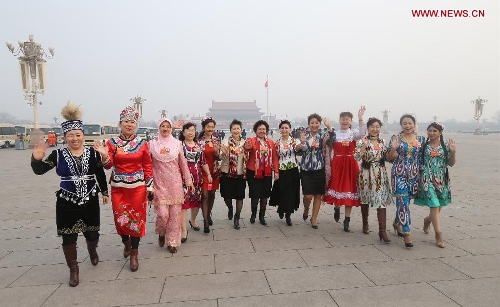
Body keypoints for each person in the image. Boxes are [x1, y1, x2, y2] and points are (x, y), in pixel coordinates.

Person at [31, 101, 109, 287]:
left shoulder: (93, 152)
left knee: (92, 233)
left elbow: (99, 172)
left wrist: (104, 192)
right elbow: (40, 170)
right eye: (70, 136)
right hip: (67, 200)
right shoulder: (57, 155)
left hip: (90, 198)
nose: (75, 139)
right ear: (65, 137)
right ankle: (73, 269)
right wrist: (36, 159)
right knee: (69, 236)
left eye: (78, 135)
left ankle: (92, 251)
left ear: (83, 136)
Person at [94, 106, 153, 271]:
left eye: (132, 122)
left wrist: (150, 186)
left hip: (138, 189)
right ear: (120, 123)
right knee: (120, 220)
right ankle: (126, 243)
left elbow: (147, 166)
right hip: (119, 188)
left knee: (136, 221)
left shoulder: (142, 143)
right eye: (126, 121)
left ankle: (134, 254)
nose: (129, 125)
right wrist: (105, 155)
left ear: (136, 125)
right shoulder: (112, 143)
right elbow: (108, 166)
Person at [149, 118, 193, 253]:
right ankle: (162, 233)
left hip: (175, 184)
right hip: (159, 184)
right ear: (159, 128)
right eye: (163, 126)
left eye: (168, 126)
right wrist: (148, 184)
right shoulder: (152, 144)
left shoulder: (177, 144)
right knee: (162, 215)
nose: (165, 129)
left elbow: (183, 164)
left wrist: (188, 180)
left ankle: (172, 242)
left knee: (175, 216)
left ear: (171, 129)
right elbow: (147, 165)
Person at [385, 114, 425, 248]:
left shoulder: (421, 139)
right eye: (404, 123)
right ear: (401, 125)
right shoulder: (395, 138)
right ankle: (407, 233)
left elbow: (421, 159)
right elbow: (389, 159)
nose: (407, 126)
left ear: (414, 124)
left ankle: (397, 222)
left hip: (414, 175)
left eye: (410, 123)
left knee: (406, 202)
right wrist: (394, 149)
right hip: (398, 173)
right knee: (402, 201)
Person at [324, 106, 366, 232]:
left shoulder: (353, 134)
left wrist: (360, 118)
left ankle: (347, 219)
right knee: (337, 187)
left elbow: (363, 132)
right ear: (339, 120)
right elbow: (329, 141)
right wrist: (328, 127)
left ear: (351, 121)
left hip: (351, 164)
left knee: (350, 189)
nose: (345, 121)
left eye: (347, 119)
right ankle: (337, 208)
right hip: (337, 163)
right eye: (342, 119)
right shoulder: (335, 133)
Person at [414, 122, 456, 248]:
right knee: (434, 203)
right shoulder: (424, 145)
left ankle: (428, 220)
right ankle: (438, 235)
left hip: (441, 179)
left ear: (440, 133)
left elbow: (451, 163)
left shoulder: (445, 146)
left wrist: (453, 152)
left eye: (434, 131)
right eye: (429, 131)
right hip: (426, 177)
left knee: (439, 207)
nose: (431, 133)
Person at [355, 117, 392, 242]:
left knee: (380, 201)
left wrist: (394, 151)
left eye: (377, 127)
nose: (375, 129)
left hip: (380, 174)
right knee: (365, 199)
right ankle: (365, 223)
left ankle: (382, 231)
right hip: (365, 174)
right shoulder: (362, 141)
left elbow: (388, 158)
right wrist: (364, 147)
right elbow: (356, 157)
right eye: (372, 126)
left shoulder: (383, 142)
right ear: (368, 128)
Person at [298, 114, 335, 229]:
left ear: (320, 124)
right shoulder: (304, 135)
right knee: (308, 196)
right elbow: (299, 152)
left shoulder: (323, 135)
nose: (314, 125)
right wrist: (302, 143)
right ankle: (306, 208)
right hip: (306, 169)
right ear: (309, 124)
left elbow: (333, 140)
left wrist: (329, 127)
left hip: (319, 169)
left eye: (316, 123)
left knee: (318, 194)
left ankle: (314, 218)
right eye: (312, 123)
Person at [244, 120, 279, 226]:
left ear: (267, 131)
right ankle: (253, 214)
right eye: (259, 129)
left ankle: (262, 216)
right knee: (255, 195)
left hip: (267, 173)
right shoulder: (251, 140)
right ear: (255, 130)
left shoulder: (270, 143)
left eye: (264, 129)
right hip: (253, 172)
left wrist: (276, 171)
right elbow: (246, 149)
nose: (262, 131)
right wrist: (247, 147)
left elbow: (275, 158)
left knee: (264, 195)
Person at [269, 120, 301, 226]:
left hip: (293, 170)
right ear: (280, 130)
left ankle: (288, 214)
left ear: (290, 129)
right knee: (281, 190)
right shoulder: (276, 143)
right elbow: (274, 158)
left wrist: (299, 147)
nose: (284, 130)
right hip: (281, 170)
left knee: (290, 193)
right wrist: (276, 172)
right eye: (282, 128)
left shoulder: (295, 142)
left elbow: (300, 151)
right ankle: (281, 208)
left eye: (286, 128)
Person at [179, 122, 209, 236]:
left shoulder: (199, 146)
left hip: (197, 178)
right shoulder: (179, 146)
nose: (191, 132)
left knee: (196, 202)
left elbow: (203, 162)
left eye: (193, 130)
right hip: (184, 179)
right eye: (188, 130)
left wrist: (209, 174)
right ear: (183, 132)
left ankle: (193, 220)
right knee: (184, 203)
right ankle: (183, 230)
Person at [220, 119, 247, 229]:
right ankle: (230, 207)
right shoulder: (225, 142)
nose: (236, 130)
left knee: (239, 196)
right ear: (230, 130)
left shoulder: (245, 142)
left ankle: (237, 217)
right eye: (234, 128)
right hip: (227, 173)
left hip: (240, 173)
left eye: (238, 128)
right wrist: (224, 153)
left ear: (241, 130)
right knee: (227, 196)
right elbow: (221, 157)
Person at [197, 116, 221, 233]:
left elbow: (219, 157)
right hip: (203, 171)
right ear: (204, 127)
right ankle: (205, 221)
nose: (210, 129)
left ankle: (208, 213)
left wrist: (220, 153)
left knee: (211, 194)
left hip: (214, 171)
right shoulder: (198, 142)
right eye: (208, 127)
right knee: (205, 195)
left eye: (212, 127)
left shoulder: (216, 141)